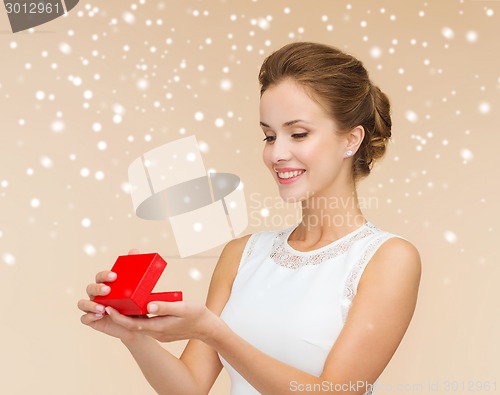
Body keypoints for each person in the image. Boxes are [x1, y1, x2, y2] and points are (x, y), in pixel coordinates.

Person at [78, 42, 421, 395]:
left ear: (351, 139)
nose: (277, 153)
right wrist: (132, 334)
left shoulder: (389, 259)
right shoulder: (243, 254)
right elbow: (190, 387)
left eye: (298, 134)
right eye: (269, 136)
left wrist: (214, 333)